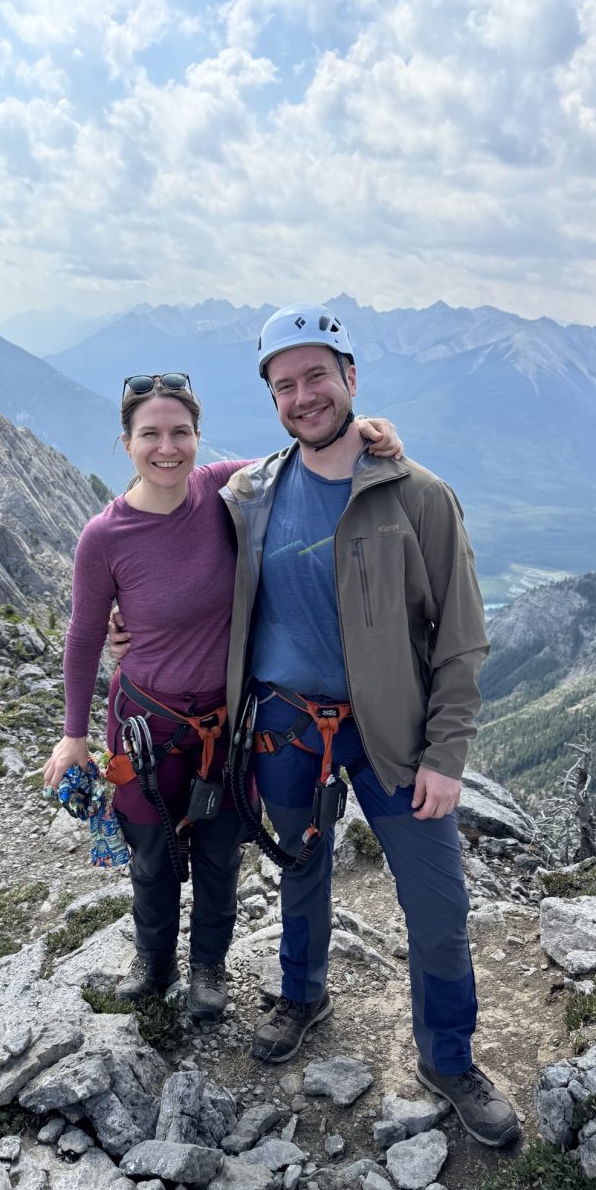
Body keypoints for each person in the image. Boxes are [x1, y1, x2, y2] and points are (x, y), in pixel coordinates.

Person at [214, 302, 520, 1149]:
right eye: (286, 384)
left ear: (352, 378)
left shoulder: (418, 496)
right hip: (287, 730)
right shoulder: (249, 494)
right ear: (272, 399)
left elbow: (461, 638)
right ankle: (302, 993)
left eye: (318, 375)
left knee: (438, 902)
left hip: (396, 735)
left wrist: (447, 753)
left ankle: (449, 1057)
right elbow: (166, 518)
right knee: (301, 873)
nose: (304, 395)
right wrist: (125, 622)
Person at [44, 370, 402, 1025]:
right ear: (125, 442)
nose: (167, 447)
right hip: (140, 728)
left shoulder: (224, 489)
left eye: (180, 432)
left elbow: (300, 456)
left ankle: (208, 967)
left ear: (198, 438)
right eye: (150, 433)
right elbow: (85, 632)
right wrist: (73, 735)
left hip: (230, 726)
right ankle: (154, 964)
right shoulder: (105, 537)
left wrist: (362, 431)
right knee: (148, 849)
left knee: (218, 850)